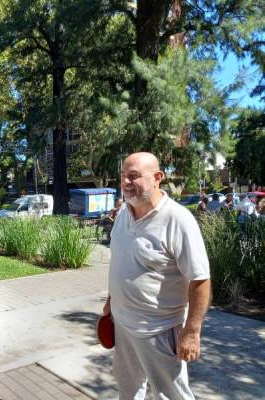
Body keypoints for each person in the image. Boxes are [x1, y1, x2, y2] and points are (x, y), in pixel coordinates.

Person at [103, 152, 211, 400]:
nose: (126, 183)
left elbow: (200, 279)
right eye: (123, 177)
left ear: (157, 178)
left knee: (172, 395)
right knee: (128, 391)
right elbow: (120, 261)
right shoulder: (123, 214)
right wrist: (110, 302)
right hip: (122, 323)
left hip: (159, 330)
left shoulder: (178, 219)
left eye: (134, 176)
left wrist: (192, 332)